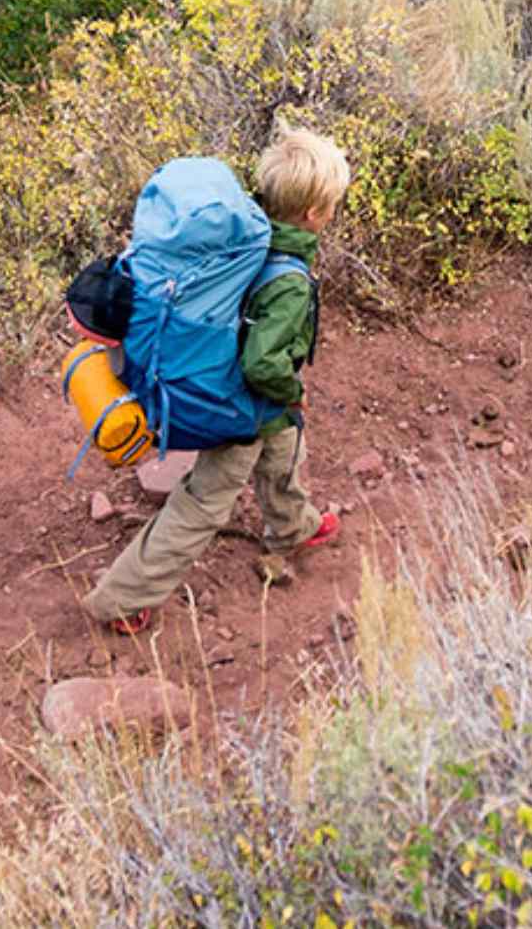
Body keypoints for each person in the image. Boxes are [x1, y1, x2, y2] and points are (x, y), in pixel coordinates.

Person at [82, 128, 350, 635]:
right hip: (237, 403)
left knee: (285, 442)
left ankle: (293, 527)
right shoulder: (290, 280)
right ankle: (120, 598)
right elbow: (262, 366)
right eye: (333, 205)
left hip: (249, 400)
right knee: (205, 501)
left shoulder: (246, 238)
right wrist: (293, 390)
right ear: (315, 214)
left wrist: (285, 401)